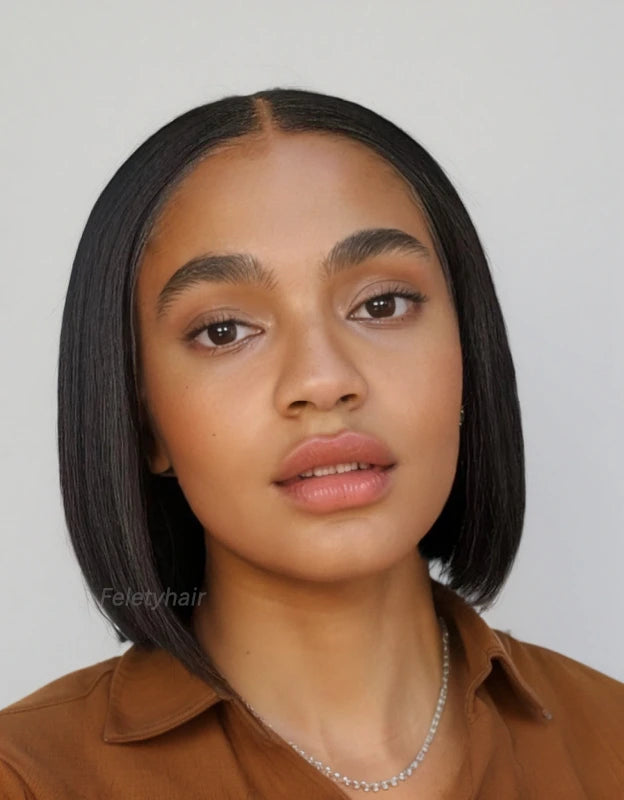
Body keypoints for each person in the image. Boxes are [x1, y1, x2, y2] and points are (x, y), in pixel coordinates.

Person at [0, 87, 622, 799]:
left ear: (467, 359)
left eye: (381, 305)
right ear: (143, 420)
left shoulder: (611, 741)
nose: (323, 382)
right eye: (224, 331)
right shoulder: (28, 779)